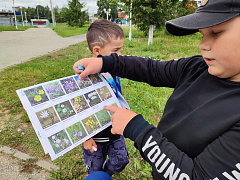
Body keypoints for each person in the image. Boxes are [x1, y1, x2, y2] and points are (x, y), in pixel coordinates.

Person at [73, 0, 240, 179]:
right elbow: (152, 69)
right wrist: (105, 62)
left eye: (216, 33)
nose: (202, 45)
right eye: (202, 35)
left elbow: (196, 176)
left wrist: (137, 129)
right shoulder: (197, 68)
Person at [81, 19, 129, 177]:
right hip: (95, 137)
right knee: (94, 169)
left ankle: (105, 175)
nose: (120, 55)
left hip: (115, 131)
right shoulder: (84, 78)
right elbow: (79, 109)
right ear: (97, 51)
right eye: (116, 50)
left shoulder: (113, 70)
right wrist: (86, 138)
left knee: (121, 160)